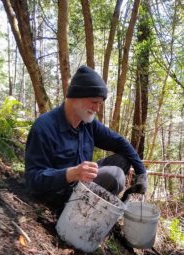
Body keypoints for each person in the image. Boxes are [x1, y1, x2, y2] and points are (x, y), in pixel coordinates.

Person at [25, 65, 147, 203]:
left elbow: (119, 142)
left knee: (123, 159)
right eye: (94, 102)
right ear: (76, 97)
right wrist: (70, 174)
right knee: (115, 175)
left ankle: (95, 210)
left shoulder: (88, 124)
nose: (97, 109)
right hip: (59, 192)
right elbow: (32, 180)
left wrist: (141, 172)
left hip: (83, 181)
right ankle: (78, 216)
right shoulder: (44, 127)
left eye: (100, 104)